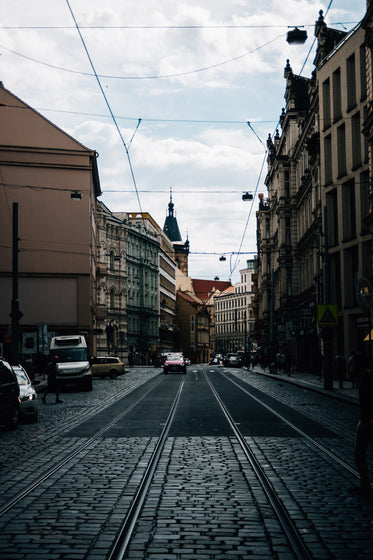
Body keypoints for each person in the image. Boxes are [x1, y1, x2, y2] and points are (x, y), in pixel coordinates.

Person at [350, 355, 373, 494]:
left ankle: (365, 484)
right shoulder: (364, 377)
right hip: (365, 421)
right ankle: (364, 483)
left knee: (359, 453)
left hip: (369, 423)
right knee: (359, 453)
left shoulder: (369, 378)